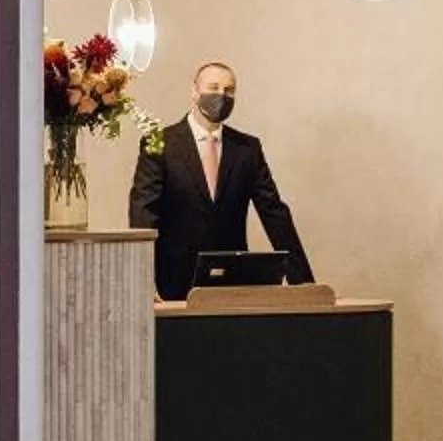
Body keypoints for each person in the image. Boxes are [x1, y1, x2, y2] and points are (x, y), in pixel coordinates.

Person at [130, 58, 314, 303]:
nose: (221, 95)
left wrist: (303, 284)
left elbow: (274, 212)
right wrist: (142, 280)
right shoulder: (160, 143)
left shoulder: (247, 148)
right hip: (173, 283)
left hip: (235, 281)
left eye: (229, 90)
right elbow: (144, 213)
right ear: (194, 92)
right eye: (213, 88)